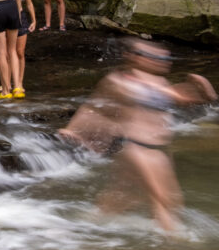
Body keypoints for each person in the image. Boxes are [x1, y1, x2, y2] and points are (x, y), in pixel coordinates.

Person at [59, 39, 216, 233]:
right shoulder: (118, 81)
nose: (161, 61)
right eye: (154, 57)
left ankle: (78, 226)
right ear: (133, 57)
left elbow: (184, 99)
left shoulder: (160, 82)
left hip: (159, 149)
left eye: (164, 57)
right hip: (136, 147)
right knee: (165, 199)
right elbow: (92, 108)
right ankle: (175, 244)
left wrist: (205, 91)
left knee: (123, 197)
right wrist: (73, 130)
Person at [10, 0, 36, 95]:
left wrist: (34, 20)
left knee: (20, 52)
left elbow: (29, 4)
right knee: (9, 52)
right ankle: (7, 82)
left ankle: (19, 82)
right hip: (8, 19)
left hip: (22, 19)